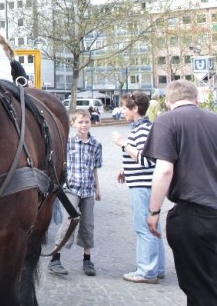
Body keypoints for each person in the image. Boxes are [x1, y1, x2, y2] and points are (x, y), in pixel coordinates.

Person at [144, 80, 217, 303]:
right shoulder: (214, 119)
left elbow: (164, 170)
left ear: (168, 101)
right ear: (197, 98)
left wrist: (154, 211)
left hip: (193, 216)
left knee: (199, 289)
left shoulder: (167, 121)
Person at [110, 91, 165, 284]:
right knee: (153, 228)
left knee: (144, 229)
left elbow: (146, 160)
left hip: (142, 186)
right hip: (146, 184)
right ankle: (157, 268)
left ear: (135, 109)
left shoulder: (142, 130)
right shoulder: (145, 127)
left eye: (125, 107)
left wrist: (123, 144)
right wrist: (126, 169)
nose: (123, 111)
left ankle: (147, 271)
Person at [48, 109, 102, 277]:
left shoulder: (96, 144)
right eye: (80, 122)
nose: (84, 125)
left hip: (88, 189)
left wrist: (98, 189)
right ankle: (55, 258)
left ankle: (87, 259)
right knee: (69, 221)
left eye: (87, 122)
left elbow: (95, 168)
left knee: (88, 224)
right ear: (73, 123)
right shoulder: (67, 143)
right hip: (71, 188)